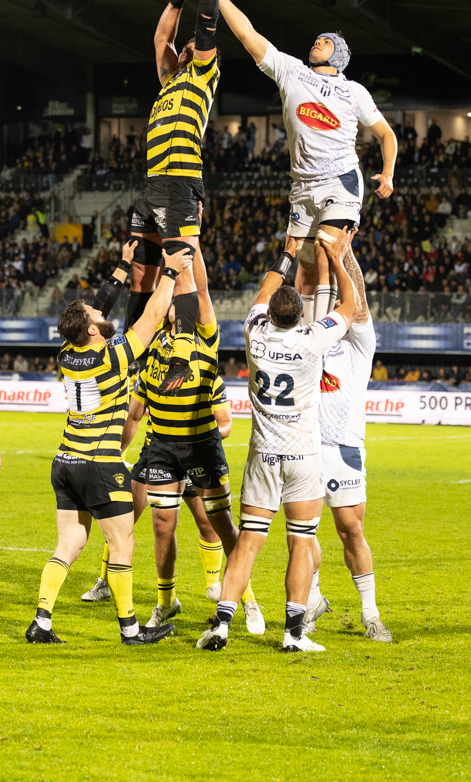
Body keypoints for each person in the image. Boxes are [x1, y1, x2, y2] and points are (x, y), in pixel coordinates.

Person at [26, 239, 193, 646]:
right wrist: (169, 271)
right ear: (91, 330)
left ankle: (42, 621)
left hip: (66, 462)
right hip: (100, 465)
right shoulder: (112, 356)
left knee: (69, 542)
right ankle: (131, 630)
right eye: (96, 316)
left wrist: (123, 264)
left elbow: (98, 309)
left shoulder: (68, 353)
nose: (102, 313)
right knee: (122, 544)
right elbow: (153, 316)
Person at [197, 229, 356, 653]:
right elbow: (350, 306)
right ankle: (292, 633)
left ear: (269, 314)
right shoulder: (311, 338)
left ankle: (223, 625)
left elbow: (264, 291)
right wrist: (338, 259)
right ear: (299, 315)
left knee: (248, 541)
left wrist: (287, 253)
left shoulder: (255, 332)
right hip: (302, 455)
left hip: (263, 455)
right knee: (300, 540)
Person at [215, 0, 398, 326]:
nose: (317, 42)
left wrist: (388, 172)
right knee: (308, 269)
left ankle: (325, 339)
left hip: (340, 180)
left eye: (325, 42)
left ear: (339, 55)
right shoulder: (291, 70)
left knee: (330, 253)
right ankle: (307, 336)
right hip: (302, 186)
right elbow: (246, 34)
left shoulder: (354, 92)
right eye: (316, 40)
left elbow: (386, 135)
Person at [117, 245, 264, 635]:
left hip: (201, 446)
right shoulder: (150, 351)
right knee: (163, 526)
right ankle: (166, 603)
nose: (172, 307)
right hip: (162, 447)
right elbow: (134, 411)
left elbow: (201, 293)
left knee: (220, 525)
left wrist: (189, 245)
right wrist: (118, 449)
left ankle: (246, 600)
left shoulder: (205, 340)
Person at [127, 0, 222, 396]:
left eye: (191, 47)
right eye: (181, 49)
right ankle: (133, 351)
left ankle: (183, 354)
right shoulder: (168, 83)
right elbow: (160, 38)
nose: (183, 48)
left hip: (183, 181)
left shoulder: (202, 75)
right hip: (153, 184)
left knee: (180, 266)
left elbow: (205, 31)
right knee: (141, 270)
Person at [301, 230, 392, 642]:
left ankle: (371, 614)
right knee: (302, 531)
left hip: (345, 447)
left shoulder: (359, 343)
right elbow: (305, 292)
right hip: (304, 447)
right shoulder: (309, 337)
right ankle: (313, 600)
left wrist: (345, 255)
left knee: (351, 530)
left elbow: (360, 305)